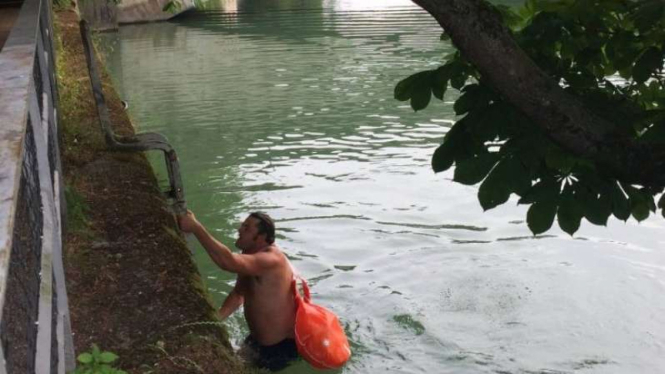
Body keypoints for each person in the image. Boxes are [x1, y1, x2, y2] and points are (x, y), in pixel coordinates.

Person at [178, 210, 299, 371]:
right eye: (243, 225)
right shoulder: (250, 254)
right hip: (256, 341)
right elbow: (238, 294)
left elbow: (228, 262)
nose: (239, 230)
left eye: (247, 228)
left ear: (261, 238)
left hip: (280, 348)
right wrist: (216, 320)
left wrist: (196, 227)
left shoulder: (271, 260)